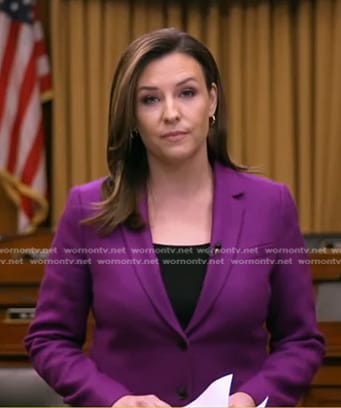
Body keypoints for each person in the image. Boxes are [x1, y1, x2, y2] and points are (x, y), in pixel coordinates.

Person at [25, 28, 325, 407]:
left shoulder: (271, 205)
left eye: (187, 93)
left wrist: (252, 398)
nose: (171, 113)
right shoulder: (88, 209)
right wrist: (115, 401)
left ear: (212, 100)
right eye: (150, 99)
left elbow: (300, 341)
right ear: (132, 116)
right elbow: (49, 339)